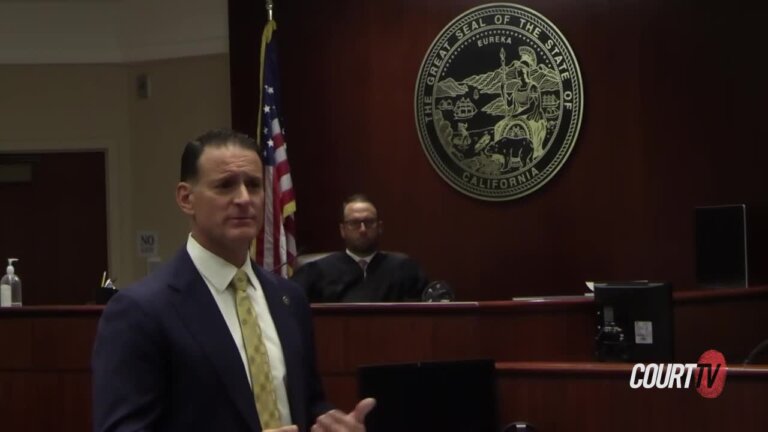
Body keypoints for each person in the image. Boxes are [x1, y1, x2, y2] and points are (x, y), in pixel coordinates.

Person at [91, 129, 375, 432]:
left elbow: (307, 405)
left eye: (253, 185)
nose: (243, 199)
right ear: (186, 199)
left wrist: (333, 424)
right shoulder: (140, 311)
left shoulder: (289, 298)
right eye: (225, 186)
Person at [292, 194, 428, 303]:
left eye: (369, 222)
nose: (362, 230)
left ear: (380, 227)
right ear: (342, 230)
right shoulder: (317, 271)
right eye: (354, 223)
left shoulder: (404, 268)